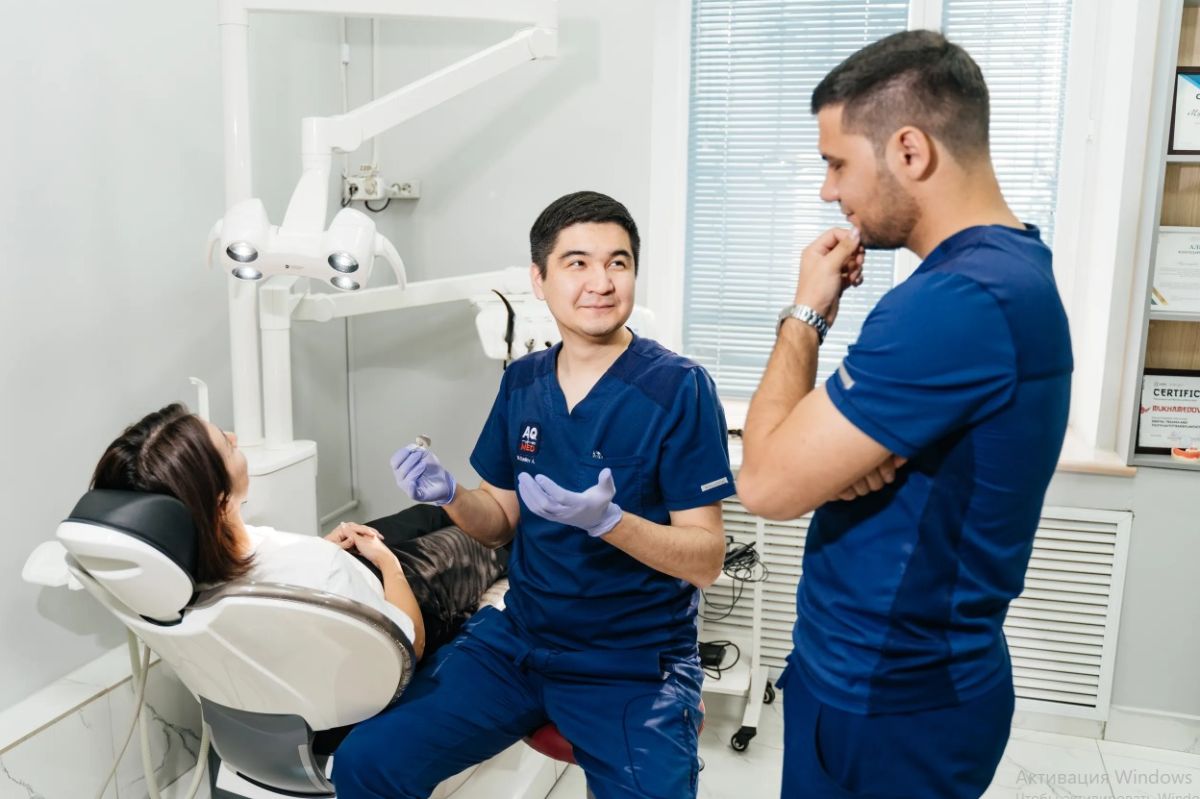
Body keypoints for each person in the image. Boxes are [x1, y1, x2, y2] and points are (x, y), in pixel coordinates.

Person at [736, 31, 1073, 799]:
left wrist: (805, 313)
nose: (828, 191)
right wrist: (835, 467)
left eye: (837, 163)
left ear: (910, 151)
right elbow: (821, 464)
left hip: (887, 701)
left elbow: (764, 483)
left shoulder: (958, 302)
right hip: (897, 683)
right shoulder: (1008, 272)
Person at [331, 191, 737, 799]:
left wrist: (611, 522)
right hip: (518, 642)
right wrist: (450, 494)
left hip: (632, 663)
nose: (601, 281)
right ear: (540, 279)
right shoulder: (523, 381)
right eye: (577, 263)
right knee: (367, 762)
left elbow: (706, 559)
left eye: (618, 262)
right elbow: (498, 520)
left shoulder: (679, 389)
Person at [90, 403, 508, 663]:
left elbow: (285, 567)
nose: (235, 437)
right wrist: (389, 566)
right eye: (227, 445)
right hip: (398, 594)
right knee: (489, 540)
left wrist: (322, 548)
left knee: (429, 514)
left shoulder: (193, 558)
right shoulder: (315, 565)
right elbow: (409, 644)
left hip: (341, 571)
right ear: (219, 500)